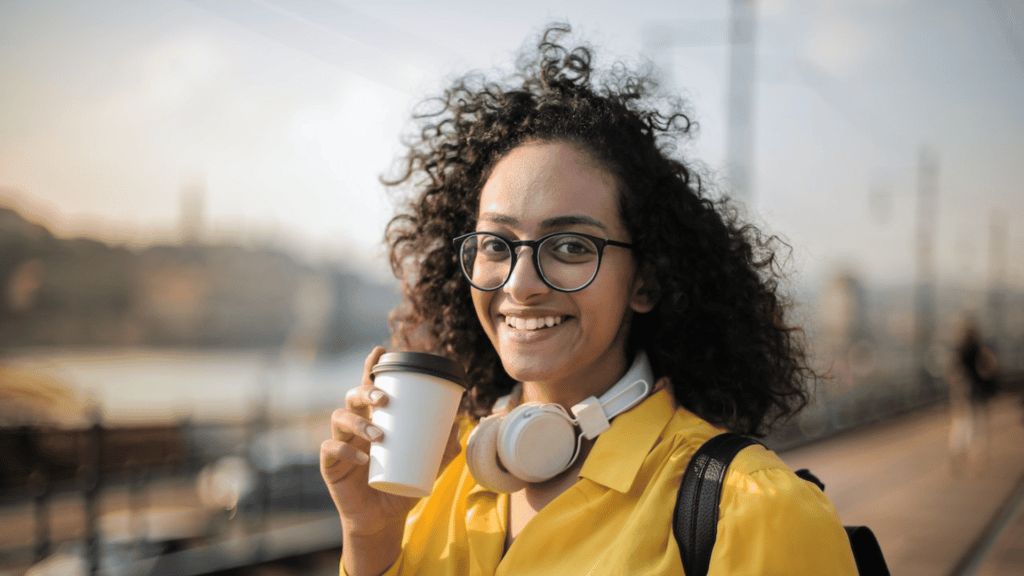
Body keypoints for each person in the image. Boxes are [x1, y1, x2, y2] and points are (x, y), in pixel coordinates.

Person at [320, 25, 858, 576]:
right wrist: (372, 535)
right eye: (495, 244)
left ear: (647, 280)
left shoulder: (756, 509)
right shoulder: (436, 479)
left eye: (572, 245)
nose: (520, 283)